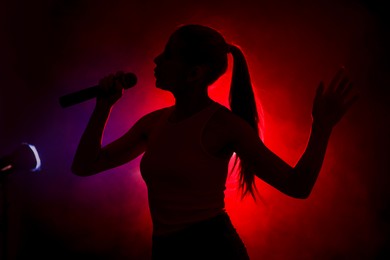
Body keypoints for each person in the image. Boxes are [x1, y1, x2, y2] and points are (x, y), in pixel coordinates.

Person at [71, 24, 357, 259]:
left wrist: (322, 127)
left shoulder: (224, 126)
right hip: (166, 251)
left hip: (212, 250)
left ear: (195, 72)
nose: (156, 60)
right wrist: (103, 106)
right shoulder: (153, 123)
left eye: (168, 54)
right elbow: (85, 165)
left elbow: (298, 185)